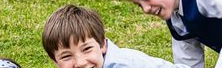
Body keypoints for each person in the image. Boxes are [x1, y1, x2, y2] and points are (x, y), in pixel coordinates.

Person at [42, 4, 190, 68]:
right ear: (55, 60)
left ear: (103, 45)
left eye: (86, 49)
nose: (80, 62)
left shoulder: (123, 65)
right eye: (66, 56)